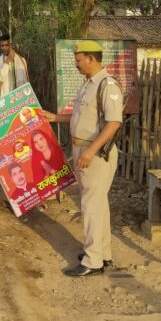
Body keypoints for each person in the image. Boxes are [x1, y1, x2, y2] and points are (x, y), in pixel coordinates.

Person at [43, 40, 122, 278]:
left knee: (90, 206)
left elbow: (113, 123)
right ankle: (102, 253)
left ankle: (93, 260)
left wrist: (90, 151)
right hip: (84, 151)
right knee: (98, 205)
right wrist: (55, 118)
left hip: (95, 154)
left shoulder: (107, 85)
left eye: (79, 60)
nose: (76, 64)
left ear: (91, 59)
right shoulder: (89, 84)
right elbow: (80, 117)